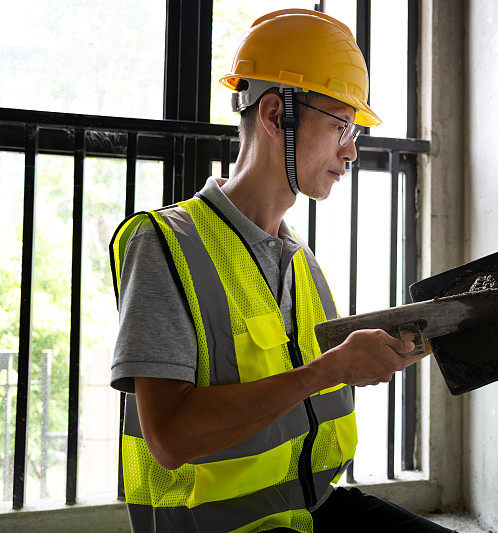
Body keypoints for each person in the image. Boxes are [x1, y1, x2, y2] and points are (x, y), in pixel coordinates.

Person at [109, 9, 453, 533]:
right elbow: (171, 438)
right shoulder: (163, 245)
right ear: (275, 116)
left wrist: (367, 358)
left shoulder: (300, 262)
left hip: (312, 510)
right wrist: (331, 369)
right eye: (341, 126)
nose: (352, 151)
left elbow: (302, 396)